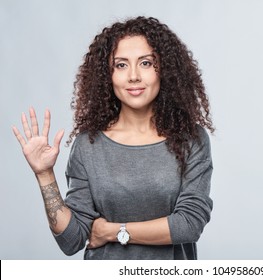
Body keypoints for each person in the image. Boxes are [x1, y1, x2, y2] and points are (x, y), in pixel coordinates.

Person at [12, 16, 214, 260]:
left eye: (146, 63)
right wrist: (44, 175)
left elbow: (189, 224)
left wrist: (113, 231)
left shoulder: (190, 139)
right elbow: (71, 240)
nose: (133, 76)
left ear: (166, 70)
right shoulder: (89, 144)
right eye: (121, 65)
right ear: (107, 75)